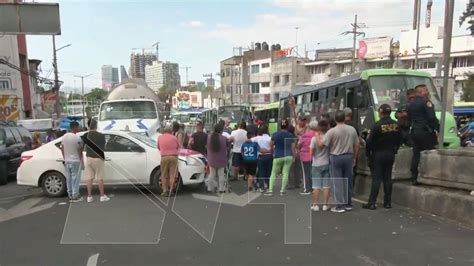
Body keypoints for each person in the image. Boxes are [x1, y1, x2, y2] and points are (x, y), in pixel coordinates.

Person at [363, 104, 402, 210]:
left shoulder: (377, 125)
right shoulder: (396, 125)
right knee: (388, 179)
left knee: (376, 179)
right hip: (390, 153)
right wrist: (395, 150)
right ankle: (387, 202)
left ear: (380, 112)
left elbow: (369, 142)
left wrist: (368, 154)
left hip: (378, 154)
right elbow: (400, 139)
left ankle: (372, 202)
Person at [320, 111, 359, 213]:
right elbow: (357, 144)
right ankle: (348, 204)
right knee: (348, 181)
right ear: (344, 118)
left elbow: (323, 144)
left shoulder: (332, 131)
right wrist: (354, 157)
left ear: (336, 120)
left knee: (337, 181)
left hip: (336, 157)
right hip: (349, 156)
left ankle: (340, 206)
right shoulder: (352, 129)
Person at [407, 84, 439, 186]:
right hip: (426, 132)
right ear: (421, 92)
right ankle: (430, 176)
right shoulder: (426, 102)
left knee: (416, 154)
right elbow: (431, 118)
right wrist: (438, 128)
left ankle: (414, 177)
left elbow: (409, 119)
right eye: (426, 90)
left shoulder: (410, 104)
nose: (428, 92)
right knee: (430, 153)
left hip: (414, 132)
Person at [265, 119, 295, 196]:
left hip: (278, 155)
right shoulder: (290, 135)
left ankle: (270, 190)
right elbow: (293, 147)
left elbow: (271, 144)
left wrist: (272, 151)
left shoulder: (275, 134)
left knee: (273, 173)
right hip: (288, 156)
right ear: (287, 126)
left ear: (280, 125)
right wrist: (294, 156)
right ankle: (282, 191)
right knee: (285, 173)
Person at [82, 119, 110, 203]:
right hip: (98, 158)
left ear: (88, 125)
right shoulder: (101, 135)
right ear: (96, 125)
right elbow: (103, 147)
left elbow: (84, 146)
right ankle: (102, 196)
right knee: (100, 178)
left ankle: (89, 197)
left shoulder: (85, 135)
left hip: (89, 158)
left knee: (89, 178)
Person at [60, 121, 84, 202]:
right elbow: (79, 150)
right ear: (75, 127)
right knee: (75, 179)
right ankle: (75, 195)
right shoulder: (77, 138)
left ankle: (70, 194)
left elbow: (62, 148)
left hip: (67, 160)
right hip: (76, 160)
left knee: (69, 178)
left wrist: (65, 157)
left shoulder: (64, 137)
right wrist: (81, 161)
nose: (79, 128)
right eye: (78, 127)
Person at [310, 120, 331, 211]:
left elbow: (311, 153)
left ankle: (316, 205)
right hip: (327, 162)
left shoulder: (314, 139)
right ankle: (325, 205)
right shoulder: (329, 137)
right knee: (326, 185)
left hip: (316, 164)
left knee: (316, 186)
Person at [158, 126, 179, 197]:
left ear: (164, 131)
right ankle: (171, 191)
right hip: (173, 157)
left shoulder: (160, 137)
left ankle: (164, 191)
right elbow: (177, 147)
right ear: (171, 131)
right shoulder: (174, 137)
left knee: (163, 175)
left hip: (164, 157)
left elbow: (158, 147)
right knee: (172, 176)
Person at [206, 124, 228, 193]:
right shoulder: (223, 138)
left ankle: (209, 188)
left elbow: (206, 146)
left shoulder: (209, 137)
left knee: (211, 174)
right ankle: (221, 189)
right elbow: (227, 146)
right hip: (221, 159)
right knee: (221, 175)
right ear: (221, 130)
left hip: (212, 159)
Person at [252, 125, 273, 192]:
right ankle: (268, 186)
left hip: (261, 156)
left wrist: (258, 148)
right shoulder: (270, 138)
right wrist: (269, 150)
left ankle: (261, 187)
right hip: (269, 156)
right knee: (269, 171)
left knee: (261, 172)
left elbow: (248, 140)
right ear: (267, 131)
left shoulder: (257, 138)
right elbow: (273, 147)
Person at [288, 115, 307, 190]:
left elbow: (292, 146)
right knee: (297, 169)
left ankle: (291, 184)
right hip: (298, 152)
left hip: (292, 153)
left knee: (291, 170)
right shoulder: (296, 136)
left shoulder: (290, 137)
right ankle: (297, 183)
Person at [298, 118, 315, 195]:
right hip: (314, 156)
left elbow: (299, 144)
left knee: (306, 173)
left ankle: (307, 189)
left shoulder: (305, 135)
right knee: (312, 172)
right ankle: (313, 187)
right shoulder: (317, 135)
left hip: (305, 156)